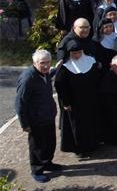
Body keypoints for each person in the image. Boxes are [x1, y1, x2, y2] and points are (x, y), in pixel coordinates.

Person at [15, 50, 62, 183]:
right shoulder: (28, 79)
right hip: (35, 120)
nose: (46, 66)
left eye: (48, 62)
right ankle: (37, 170)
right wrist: (24, 124)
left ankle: (47, 162)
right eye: (42, 63)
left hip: (48, 115)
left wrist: (56, 69)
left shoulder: (45, 73)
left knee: (49, 142)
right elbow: (19, 103)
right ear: (35, 63)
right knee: (37, 146)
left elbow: (49, 73)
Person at [54, 40, 101, 157]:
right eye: (74, 53)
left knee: (91, 123)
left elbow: (97, 80)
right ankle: (79, 149)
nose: (77, 55)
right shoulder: (65, 67)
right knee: (77, 126)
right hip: (74, 103)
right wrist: (66, 102)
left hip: (90, 100)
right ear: (69, 53)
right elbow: (60, 85)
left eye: (79, 52)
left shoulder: (91, 62)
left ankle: (92, 144)